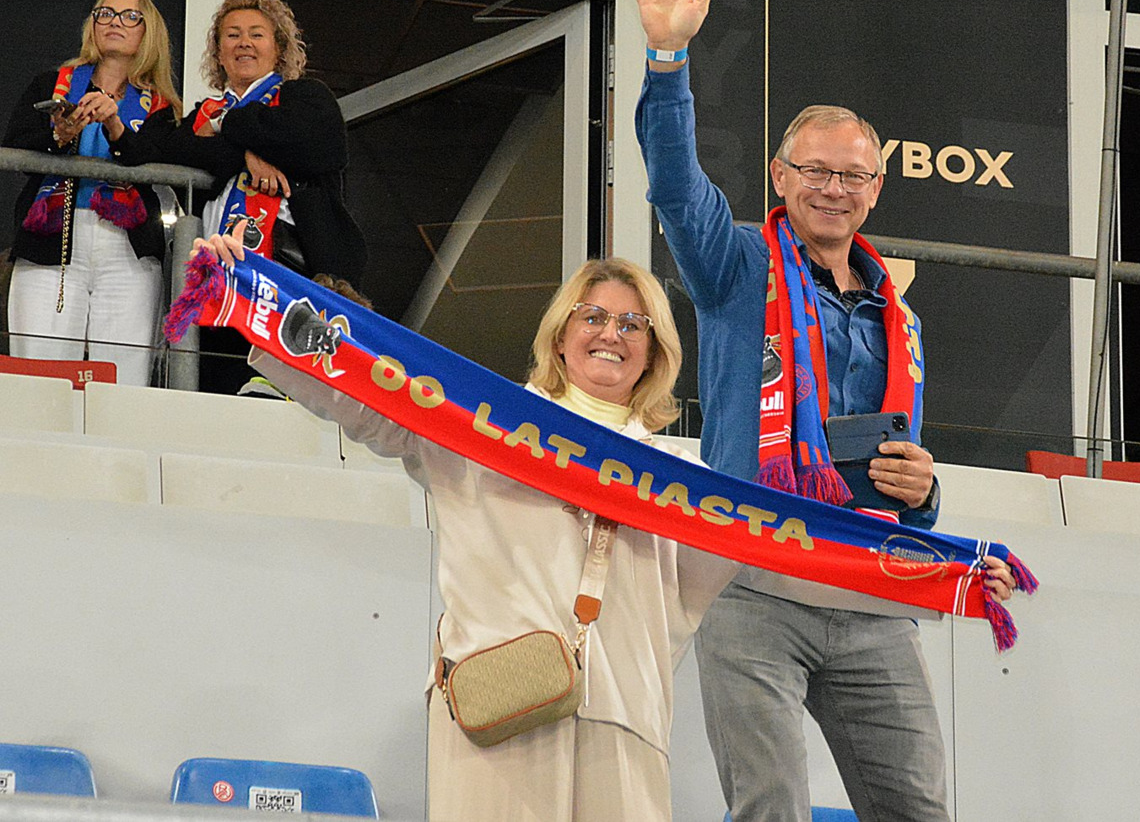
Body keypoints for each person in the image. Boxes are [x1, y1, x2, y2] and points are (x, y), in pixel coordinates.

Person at [626, 0, 1018, 822]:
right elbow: (677, 187)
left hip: (870, 585)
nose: (833, 188)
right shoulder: (736, 268)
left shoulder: (902, 320)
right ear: (780, 177)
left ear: (876, 189)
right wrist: (667, 59)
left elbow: (905, 470)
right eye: (815, 171)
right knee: (769, 806)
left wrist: (924, 490)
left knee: (918, 808)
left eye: (853, 175)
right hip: (752, 580)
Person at [192, 228, 738, 821]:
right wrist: (250, 299)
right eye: (594, 317)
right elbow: (367, 401)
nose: (611, 334)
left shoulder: (685, 480)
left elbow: (731, 570)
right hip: (495, 709)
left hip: (624, 725)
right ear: (560, 338)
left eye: (634, 325)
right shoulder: (484, 424)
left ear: (654, 354)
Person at [157, 0, 366, 394]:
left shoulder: (304, 97)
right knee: (219, 399)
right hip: (219, 282)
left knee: (285, 403)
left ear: (279, 49)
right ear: (219, 53)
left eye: (257, 34)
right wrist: (247, 155)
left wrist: (229, 127)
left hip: (290, 276)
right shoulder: (202, 115)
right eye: (232, 35)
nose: (244, 43)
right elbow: (172, 150)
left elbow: (317, 145)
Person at [3, 0, 182, 386]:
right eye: (105, 13)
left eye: (130, 16)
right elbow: (16, 144)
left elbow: (152, 159)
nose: (115, 22)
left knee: (123, 377)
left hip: (128, 246)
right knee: (40, 375)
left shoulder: (161, 106)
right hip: (52, 235)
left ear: (148, 31)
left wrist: (115, 124)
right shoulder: (53, 84)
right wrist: (60, 135)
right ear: (92, 24)